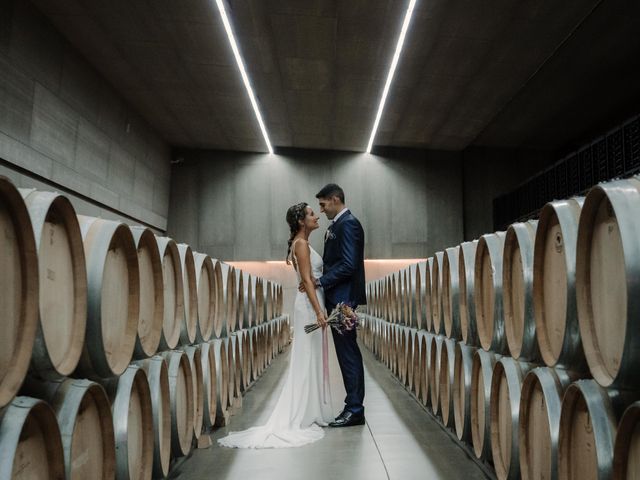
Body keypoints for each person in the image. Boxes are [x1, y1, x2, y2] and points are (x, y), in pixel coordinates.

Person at [218, 202, 341, 449]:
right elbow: (306, 280)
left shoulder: (300, 243)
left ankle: (312, 409)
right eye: (310, 214)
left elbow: (309, 280)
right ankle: (305, 413)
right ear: (300, 222)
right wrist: (319, 313)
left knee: (311, 358)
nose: (316, 216)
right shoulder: (302, 244)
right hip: (309, 308)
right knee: (307, 359)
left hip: (308, 303)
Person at [312, 183, 366, 427]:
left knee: (348, 355)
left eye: (323, 205)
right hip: (337, 299)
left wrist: (320, 281)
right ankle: (351, 406)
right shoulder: (338, 225)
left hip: (343, 301)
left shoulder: (349, 224)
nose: (321, 210)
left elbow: (348, 265)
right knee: (345, 356)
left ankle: (355, 409)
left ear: (335, 199)